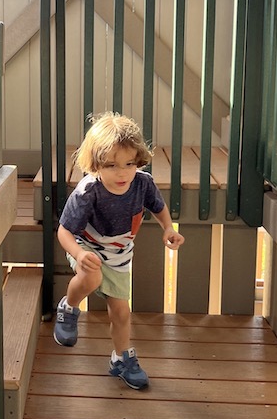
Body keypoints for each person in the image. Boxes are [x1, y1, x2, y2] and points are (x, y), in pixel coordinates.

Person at [54, 112, 185, 389]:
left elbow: (159, 207)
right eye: (112, 165)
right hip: (86, 246)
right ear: (95, 165)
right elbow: (64, 231)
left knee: (121, 313)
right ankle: (69, 307)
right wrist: (78, 255)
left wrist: (168, 228)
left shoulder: (142, 183)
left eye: (129, 164)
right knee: (92, 277)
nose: (122, 172)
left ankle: (121, 358)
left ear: (138, 161)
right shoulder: (88, 192)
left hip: (119, 254)